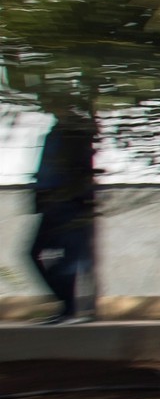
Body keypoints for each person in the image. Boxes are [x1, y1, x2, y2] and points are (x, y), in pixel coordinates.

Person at [29, 115, 95, 324]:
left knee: (69, 259)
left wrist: (79, 200)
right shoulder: (53, 132)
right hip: (51, 203)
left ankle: (70, 309)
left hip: (68, 203)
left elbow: (81, 169)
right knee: (35, 253)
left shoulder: (76, 132)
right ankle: (67, 305)